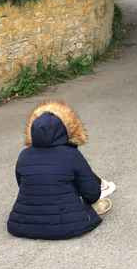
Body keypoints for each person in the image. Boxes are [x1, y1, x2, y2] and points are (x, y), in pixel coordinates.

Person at [7, 101, 116, 240]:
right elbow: (92, 193)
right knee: (97, 204)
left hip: (21, 225)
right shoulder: (71, 154)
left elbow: (22, 184)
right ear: (63, 130)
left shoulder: (24, 155)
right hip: (68, 226)